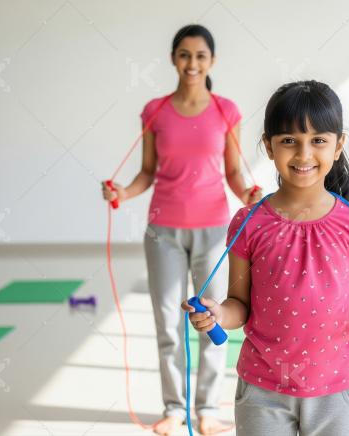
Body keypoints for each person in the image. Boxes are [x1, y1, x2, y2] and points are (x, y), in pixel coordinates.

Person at [182, 80, 349, 436]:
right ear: (268, 147)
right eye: (288, 141)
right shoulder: (249, 222)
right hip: (263, 388)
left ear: (338, 145)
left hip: (336, 390)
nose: (303, 154)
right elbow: (239, 303)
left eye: (318, 141)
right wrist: (218, 314)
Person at [102, 24, 261, 436]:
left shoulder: (226, 111)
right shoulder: (155, 110)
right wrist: (122, 191)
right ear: (174, 58)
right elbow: (146, 173)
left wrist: (247, 192)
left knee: (211, 319)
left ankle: (207, 409)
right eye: (185, 55)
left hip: (212, 231)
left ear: (212, 61)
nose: (192, 63)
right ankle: (174, 408)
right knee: (168, 324)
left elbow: (232, 173)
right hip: (163, 233)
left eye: (200, 56)